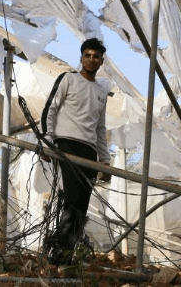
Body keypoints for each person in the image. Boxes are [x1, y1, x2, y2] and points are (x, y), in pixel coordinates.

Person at [41, 37, 111, 266]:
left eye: (96, 56)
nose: (91, 59)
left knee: (82, 203)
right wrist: (47, 142)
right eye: (87, 55)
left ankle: (67, 256)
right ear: (81, 58)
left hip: (89, 151)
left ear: (101, 61)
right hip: (67, 145)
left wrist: (105, 161)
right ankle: (57, 253)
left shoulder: (101, 92)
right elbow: (50, 110)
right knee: (71, 199)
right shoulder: (68, 79)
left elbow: (100, 128)